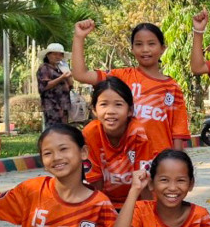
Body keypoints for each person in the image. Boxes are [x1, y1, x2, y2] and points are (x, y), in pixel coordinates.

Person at [70, 19, 191, 151]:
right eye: (139, 44)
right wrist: (79, 37)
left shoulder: (172, 87)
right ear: (132, 49)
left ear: (162, 49)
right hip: (125, 159)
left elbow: (178, 132)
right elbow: (80, 74)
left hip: (160, 159)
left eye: (151, 44)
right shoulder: (120, 77)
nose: (145, 49)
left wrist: (176, 161)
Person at [82, 77, 155, 209]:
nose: (110, 111)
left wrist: (147, 213)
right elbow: (95, 181)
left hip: (136, 201)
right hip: (104, 202)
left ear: (130, 110)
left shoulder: (139, 134)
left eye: (118, 104)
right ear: (94, 109)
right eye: (104, 104)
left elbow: (143, 181)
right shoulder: (90, 133)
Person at [37, 42, 73, 126]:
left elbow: (71, 85)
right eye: (55, 54)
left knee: (64, 129)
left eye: (60, 55)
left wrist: (68, 74)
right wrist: (62, 77)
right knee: (53, 129)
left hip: (64, 105)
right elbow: (45, 86)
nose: (58, 57)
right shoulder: (44, 68)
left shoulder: (61, 68)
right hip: (52, 105)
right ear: (48, 55)